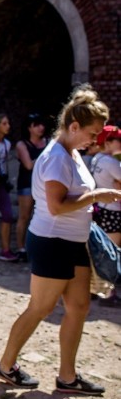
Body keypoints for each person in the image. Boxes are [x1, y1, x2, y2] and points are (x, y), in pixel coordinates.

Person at [0, 86, 121, 396]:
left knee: (78, 307)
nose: (96, 140)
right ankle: (6, 365)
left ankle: (67, 377)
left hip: (74, 241)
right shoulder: (56, 158)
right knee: (41, 307)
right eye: (92, 133)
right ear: (74, 126)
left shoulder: (73, 153)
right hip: (52, 240)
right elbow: (57, 206)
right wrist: (97, 196)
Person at [89, 125, 121, 307]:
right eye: (118, 140)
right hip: (112, 210)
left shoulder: (97, 158)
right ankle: (108, 294)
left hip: (101, 209)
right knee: (110, 252)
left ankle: (95, 289)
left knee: (100, 251)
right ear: (108, 142)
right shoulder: (110, 162)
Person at [15, 114, 48, 262]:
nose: (41, 128)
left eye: (42, 125)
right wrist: (47, 155)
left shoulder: (47, 142)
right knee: (24, 216)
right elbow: (29, 165)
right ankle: (21, 248)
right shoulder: (22, 144)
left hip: (45, 184)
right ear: (29, 127)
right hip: (27, 183)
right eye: (37, 125)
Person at [0, 114, 19, 262]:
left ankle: (5, 249)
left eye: (8, 123)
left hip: (2, 181)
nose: (8, 126)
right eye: (4, 123)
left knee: (7, 215)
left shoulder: (7, 144)